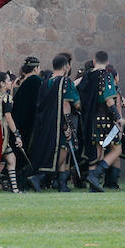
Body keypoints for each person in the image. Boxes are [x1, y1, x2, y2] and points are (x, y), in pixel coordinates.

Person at [28, 53, 80, 191]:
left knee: (61, 149)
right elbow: (68, 104)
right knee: (62, 150)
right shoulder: (65, 81)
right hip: (59, 123)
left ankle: (62, 185)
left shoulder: (46, 82)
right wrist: (68, 125)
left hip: (46, 123)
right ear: (66, 66)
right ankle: (40, 177)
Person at [80, 51, 125, 192]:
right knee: (117, 149)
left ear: (94, 61)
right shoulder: (105, 75)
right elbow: (109, 99)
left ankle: (93, 187)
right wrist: (118, 118)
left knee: (96, 154)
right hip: (103, 120)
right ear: (107, 62)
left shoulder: (87, 76)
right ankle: (96, 174)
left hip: (88, 119)